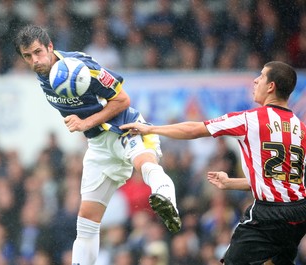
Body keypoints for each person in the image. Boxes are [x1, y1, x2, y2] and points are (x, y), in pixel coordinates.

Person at [13, 25, 181, 265]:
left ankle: (166, 197)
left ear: (50, 46)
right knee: (86, 222)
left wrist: (85, 122)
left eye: (38, 52)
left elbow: (122, 100)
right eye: (27, 56)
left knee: (144, 163)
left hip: (124, 125)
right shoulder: (42, 75)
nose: (35, 60)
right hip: (98, 144)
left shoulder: (82, 68)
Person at [120, 61, 306, 265]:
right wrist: (231, 183)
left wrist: (150, 129)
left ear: (271, 86)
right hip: (298, 214)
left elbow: (194, 129)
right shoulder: (301, 128)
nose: (255, 80)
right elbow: (283, 182)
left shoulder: (251, 119)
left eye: (261, 76)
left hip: (268, 213)